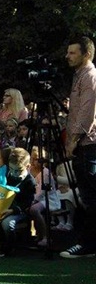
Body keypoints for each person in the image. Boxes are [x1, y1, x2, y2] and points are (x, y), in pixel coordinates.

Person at [61, 36, 96, 258]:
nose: (67, 56)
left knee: (91, 197)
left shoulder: (90, 76)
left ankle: (88, 244)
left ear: (86, 54)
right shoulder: (79, 76)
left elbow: (87, 113)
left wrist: (73, 139)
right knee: (87, 196)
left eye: (72, 52)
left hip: (88, 144)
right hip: (84, 143)